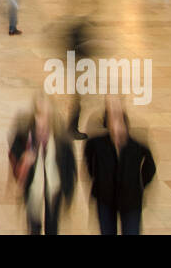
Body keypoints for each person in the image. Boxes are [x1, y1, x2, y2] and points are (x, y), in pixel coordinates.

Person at [84, 99, 156, 235]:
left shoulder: (136, 146)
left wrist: (140, 185)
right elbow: (88, 162)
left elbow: (150, 168)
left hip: (131, 201)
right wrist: (98, 181)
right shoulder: (97, 144)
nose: (116, 126)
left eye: (119, 120)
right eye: (112, 119)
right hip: (105, 199)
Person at [8, 98, 76, 235]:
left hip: (54, 186)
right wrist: (24, 157)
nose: (43, 118)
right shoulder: (25, 132)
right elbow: (14, 151)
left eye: (46, 114)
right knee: (34, 225)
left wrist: (68, 193)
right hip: (33, 186)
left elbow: (70, 166)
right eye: (39, 113)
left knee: (52, 224)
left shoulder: (61, 136)